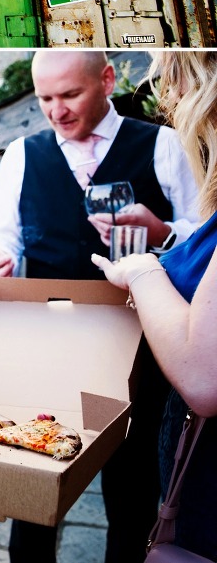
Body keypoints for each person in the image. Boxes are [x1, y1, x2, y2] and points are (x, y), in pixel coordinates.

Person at [0, 49, 201, 563]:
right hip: (53, 346)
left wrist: (162, 232)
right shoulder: (22, 154)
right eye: (45, 99)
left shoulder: (163, 145)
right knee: (33, 484)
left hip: (140, 348)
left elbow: (201, 239)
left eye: (69, 95)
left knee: (132, 490)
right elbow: (2, 238)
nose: (56, 111)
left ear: (106, 79)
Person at [92, 50, 217, 561]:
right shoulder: (23, 154)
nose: (163, 94)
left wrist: (141, 269)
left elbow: (204, 375)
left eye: (169, 73)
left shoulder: (162, 146)